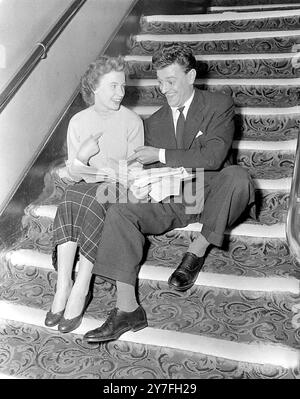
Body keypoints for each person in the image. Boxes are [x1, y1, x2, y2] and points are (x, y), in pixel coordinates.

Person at [83, 44, 256, 343]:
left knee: (238, 176)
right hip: (175, 198)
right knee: (122, 208)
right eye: (160, 82)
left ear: (190, 76)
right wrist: (133, 175)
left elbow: (213, 156)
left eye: (171, 81)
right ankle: (127, 309)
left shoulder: (219, 104)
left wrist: (160, 155)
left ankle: (197, 250)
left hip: (216, 193)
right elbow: (144, 165)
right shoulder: (155, 122)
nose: (164, 89)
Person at [44, 56, 144, 333]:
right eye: (113, 86)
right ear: (94, 87)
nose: (120, 93)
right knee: (71, 197)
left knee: (91, 198)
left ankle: (82, 284)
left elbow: (135, 171)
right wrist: (84, 158)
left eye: (122, 87)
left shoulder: (132, 121)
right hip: (88, 186)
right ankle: (63, 285)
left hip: (118, 190)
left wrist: (111, 169)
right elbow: (75, 173)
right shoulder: (78, 121)